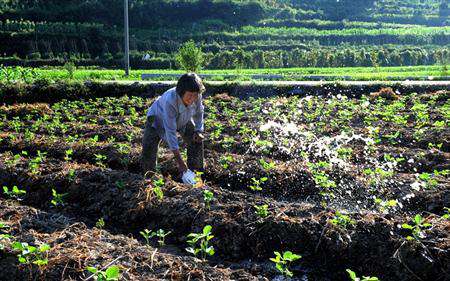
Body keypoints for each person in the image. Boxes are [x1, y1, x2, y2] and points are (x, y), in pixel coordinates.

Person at [142, 73, 205, 178]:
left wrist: (198, 130)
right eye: (189, 95)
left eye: (195, 95)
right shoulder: (170, 101)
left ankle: (196, 174)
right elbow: (170, 132)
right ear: (181, 92)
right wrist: (180, 162)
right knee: (149, 149)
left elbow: (199, 112)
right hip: (158, 120)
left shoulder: (197, 96)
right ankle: (150, 177)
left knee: (196, 139)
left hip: (183, 119)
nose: (193, 99)